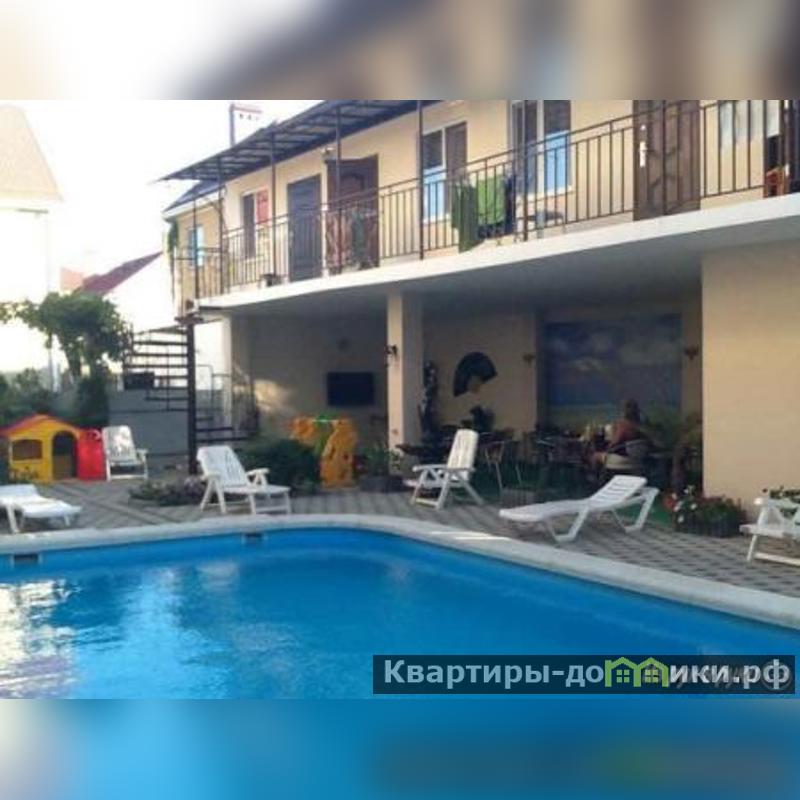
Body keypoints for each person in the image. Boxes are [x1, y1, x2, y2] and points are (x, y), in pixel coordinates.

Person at [591, 399, 647, 470]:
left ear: (624, 412)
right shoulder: (641, 426)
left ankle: (596, 475)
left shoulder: (623, 425)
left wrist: (608, 446)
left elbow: (615, 443)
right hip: (639, 460)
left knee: (595, 456)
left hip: (623, 460)